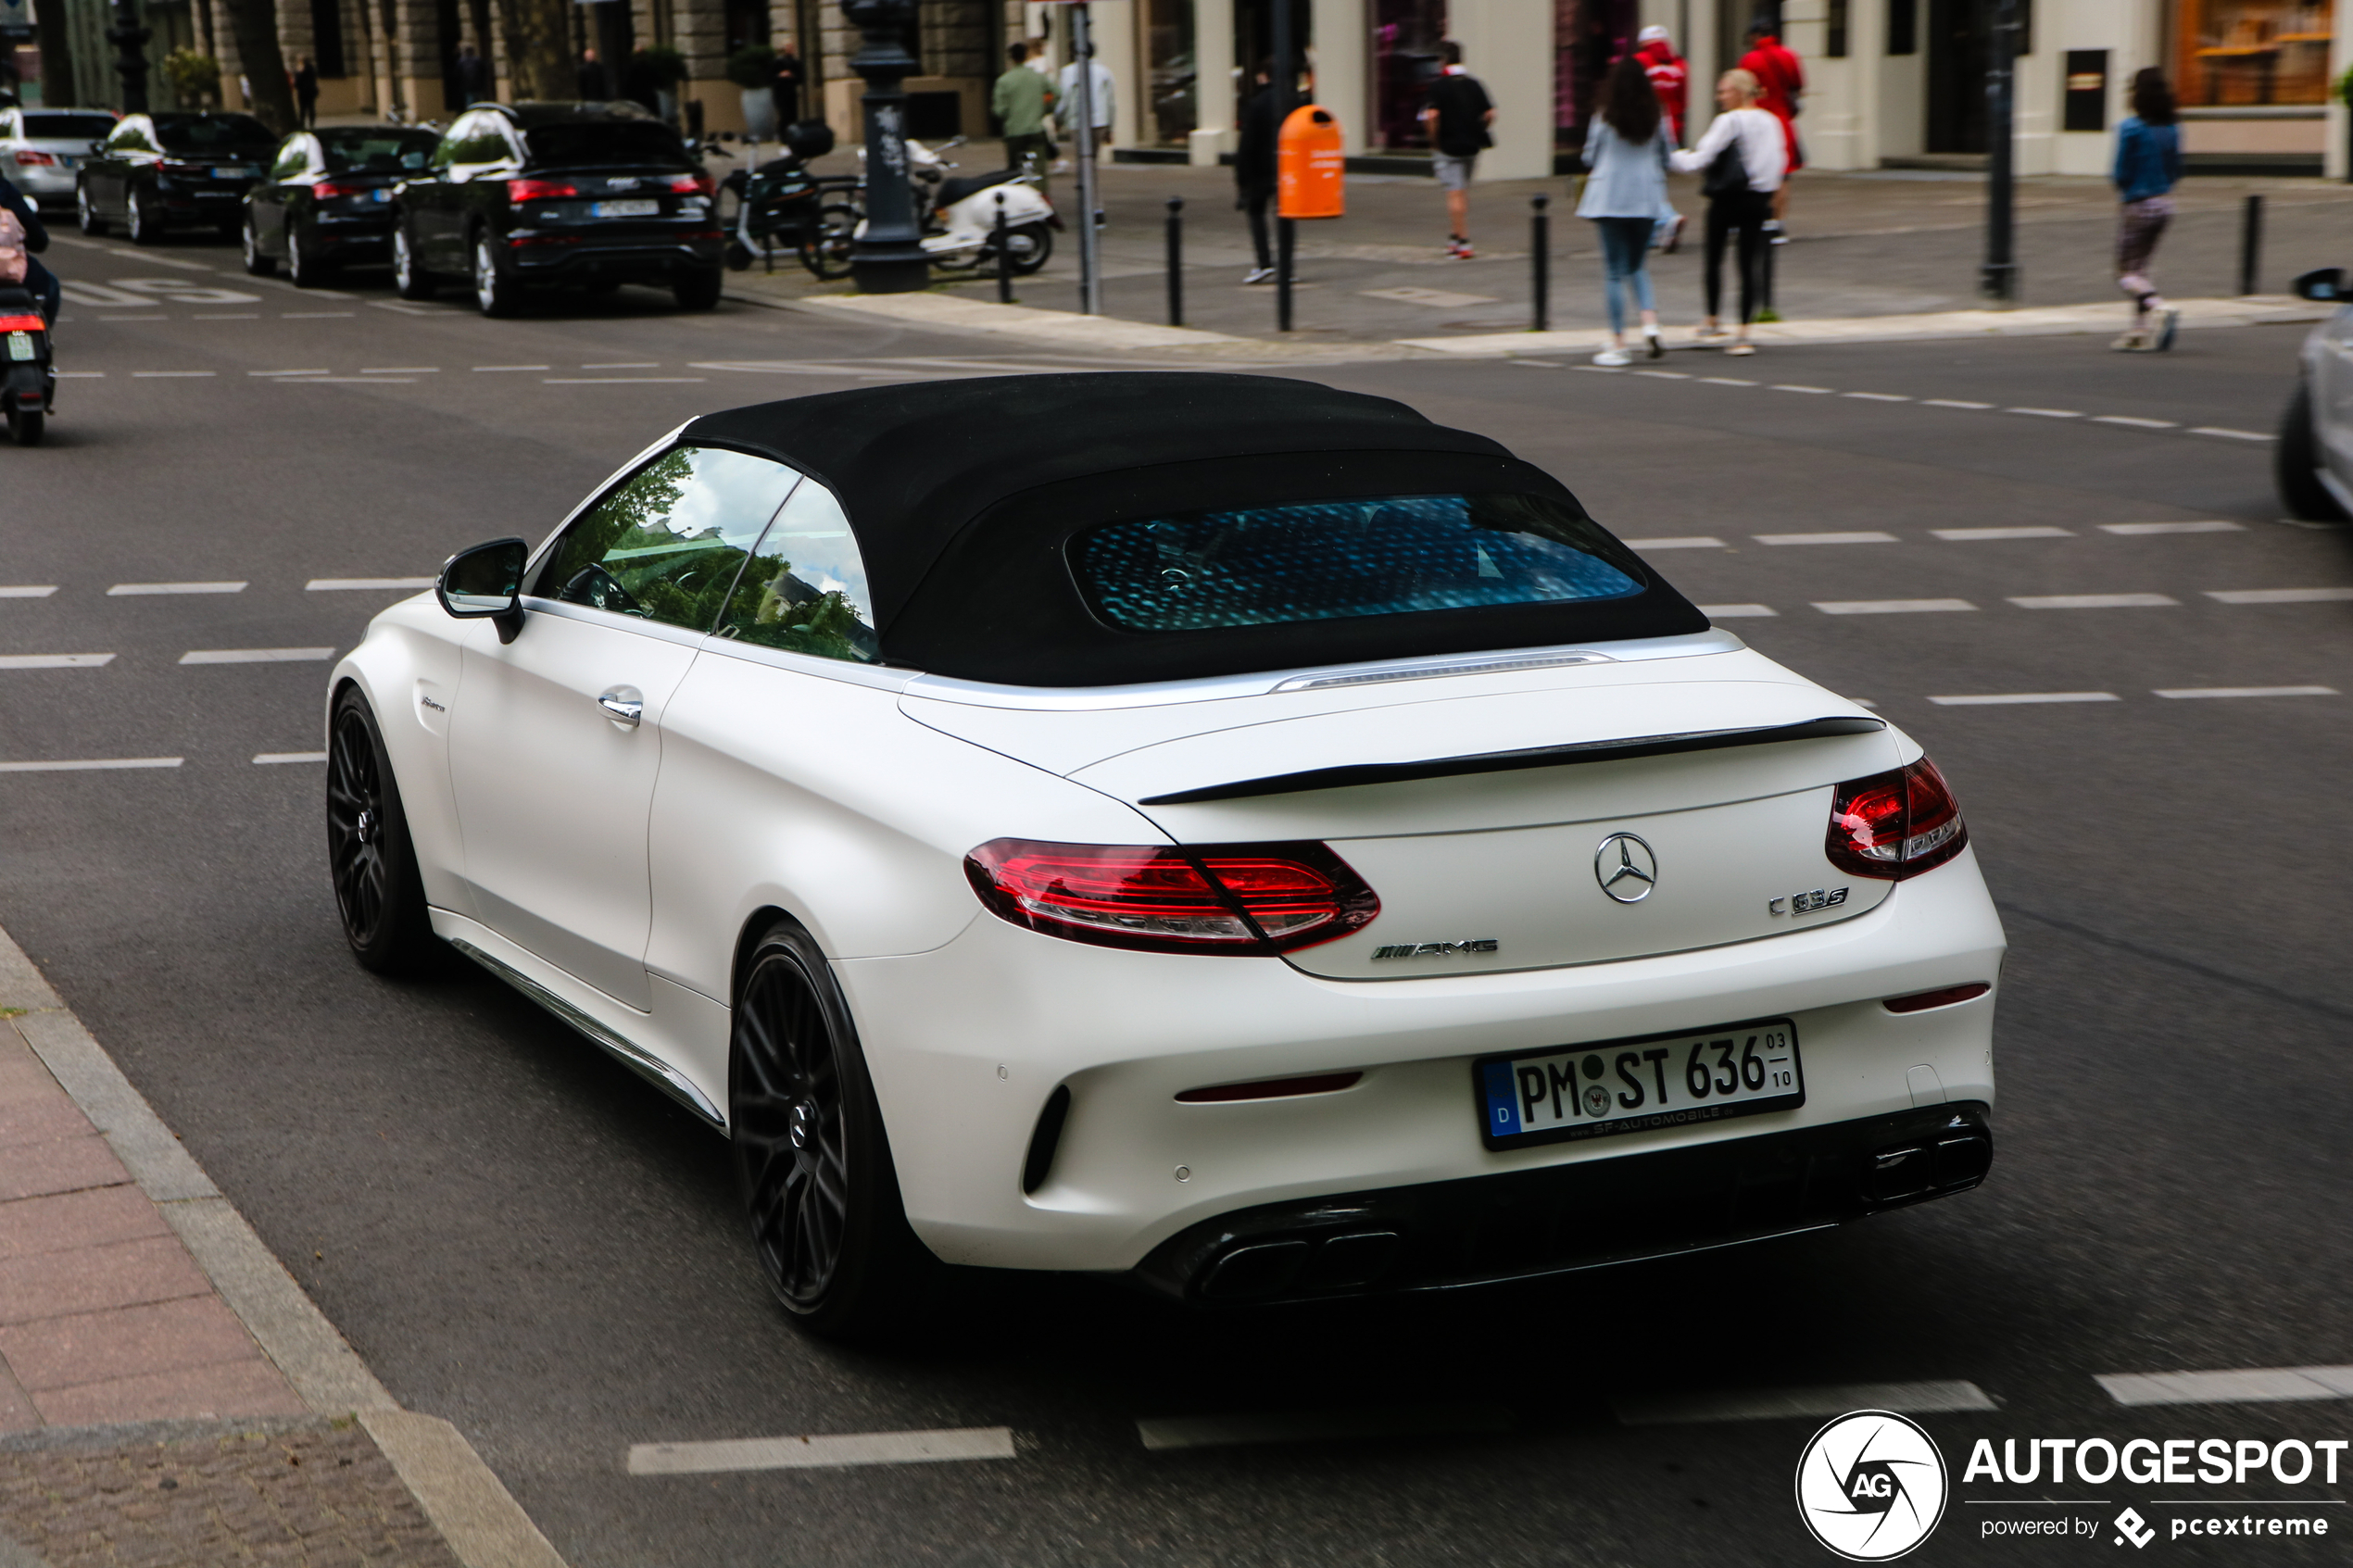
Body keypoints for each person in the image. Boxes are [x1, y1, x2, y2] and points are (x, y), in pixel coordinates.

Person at [1667, 69, 1784, 356]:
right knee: (1748, 265)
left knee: (1714, 259)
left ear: (1741, 92)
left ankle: (1712, 320)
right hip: (1759, 199)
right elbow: (1779, 162)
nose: (1719, 97)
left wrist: (1670, 158)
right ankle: (1744, 333)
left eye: (1724, 91)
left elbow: (1701, 159)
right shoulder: (1772, 121)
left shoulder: (1729, 120)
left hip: (1727, 198)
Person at [1579, 56, 1672, 366]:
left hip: (1610, 197)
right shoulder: (1657, 114)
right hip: (1646, 197)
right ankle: (1650, 325)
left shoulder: (1605, 114)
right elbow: (1666, 156)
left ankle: (1619, 342)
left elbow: (1590, 155)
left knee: (1614, 272)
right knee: (1637, 265)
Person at [2111, 69, 2183, 352]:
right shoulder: (2173, 128)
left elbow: (2121, 172)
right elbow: (2178, 168)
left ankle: (2158, 307)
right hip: (2165, 203)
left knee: (2125, 273)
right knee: (2141, 268)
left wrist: (2126, 190)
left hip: (2138, 205)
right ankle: (2139, 332)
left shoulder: (2131, 128)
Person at [1418, 40, 1492, 259]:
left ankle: (1464, 241)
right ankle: (1454, 235)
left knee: (1454, 193)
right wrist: (1478, 129)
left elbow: (1431, 116)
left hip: (1448, 147)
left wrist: (1433, 140)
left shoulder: (1438, 86)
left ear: (1442, 61)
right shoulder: (1474, 84)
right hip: (1471, 146)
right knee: (1462, 192)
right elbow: (1490, 113)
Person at [1737, 19, 1803, 233]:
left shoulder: (1749, 60)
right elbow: (1798, 88)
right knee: (1783, 175)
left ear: (1756, 36)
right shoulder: (1790, 56)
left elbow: (1741, 91)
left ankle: (1752, 220)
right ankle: (1777, 224)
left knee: (1752, 174)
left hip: (1756, 123)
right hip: (1783, 123)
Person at [1234, 61, 1278, 284]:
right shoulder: (1293, 101)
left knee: (1256, 213)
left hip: (1260, 170)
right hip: (1285, 169)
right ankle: (1287, 264)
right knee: (1284, 214)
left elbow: (1247, 145)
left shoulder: (1257, 104)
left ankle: (1264, 262)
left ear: (1263, 76)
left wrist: (1241, 178)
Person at [993, 42, 1053, 197]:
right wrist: (1045, 109)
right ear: (1026, 56)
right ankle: (1041, 199)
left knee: (1015, 169)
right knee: (1039, 168)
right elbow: (1057, 93)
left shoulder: (1004, 81)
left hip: (1014, 131)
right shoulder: (1038, 77)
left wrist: (1009, 114)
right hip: (1035, 129)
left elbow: (999, 110)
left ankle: (1018, 198)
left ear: (1011, 58)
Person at [0, 171, 58, 326]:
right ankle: (43, 339)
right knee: (51, 284)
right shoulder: (5, 190)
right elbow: (39, 241)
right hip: (16, 275)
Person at [1635, 25, 1688, 145]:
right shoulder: (1680, 64)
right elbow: (1683, 101)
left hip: (1645, 127)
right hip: (1674, 129)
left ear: (1643, 43)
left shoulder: (1637, 61)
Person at [1056, 47, 1114, 153]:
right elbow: (1111, 102)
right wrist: (1110, 127)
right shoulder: (1104, 71)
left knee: (1082, 155)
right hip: (1099, 121)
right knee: (1093, 156)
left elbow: (1065, 97)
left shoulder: (1068, 71)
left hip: (1077, 121)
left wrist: (1058, 118)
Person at [773, 44, 803, 123]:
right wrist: (780, 75)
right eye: (788, 47)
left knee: (792, 115)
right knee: (783, 115)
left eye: (791, 48)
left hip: (791, 93)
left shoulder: (796, 62)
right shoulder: (778, 62)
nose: (790, 49)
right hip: (781, 93)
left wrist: (792, 76)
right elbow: (771, 77)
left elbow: (800, 78)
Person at [454, 44, 490, 109]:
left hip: (467, 87)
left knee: (470, 103)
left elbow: (457, 74)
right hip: (478, 86)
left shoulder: (461, 62)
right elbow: (484, 71)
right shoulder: (478, 60)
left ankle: (470, 113)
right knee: (481, 103)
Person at [294, 56, 319, 128]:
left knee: (303, 109)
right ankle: (311, 123)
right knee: (311, 107)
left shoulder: (301, 69)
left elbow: (298, 80)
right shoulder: (312, 68)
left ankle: (302, 124)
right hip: (310, 91)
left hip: (303, 91)